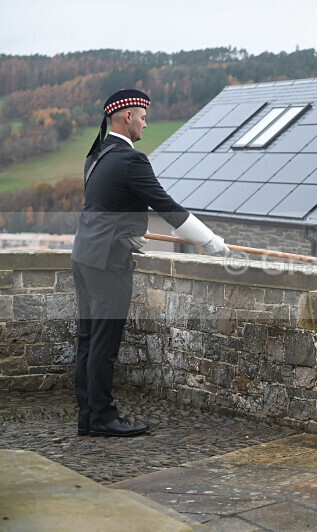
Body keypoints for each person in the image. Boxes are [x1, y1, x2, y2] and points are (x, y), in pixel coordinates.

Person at [73, 89, 229, 437]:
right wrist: (210, 241)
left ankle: (88, 416)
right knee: (104, 342)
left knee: (87, 339)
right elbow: (167, 206)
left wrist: (131, 231)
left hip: (84, 256)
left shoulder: (97, 155)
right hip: (108, 263)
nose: (146, 121)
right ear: (127, 116)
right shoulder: (131, 160)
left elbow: (105, 208)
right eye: (143, 115)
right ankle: (102, 417)